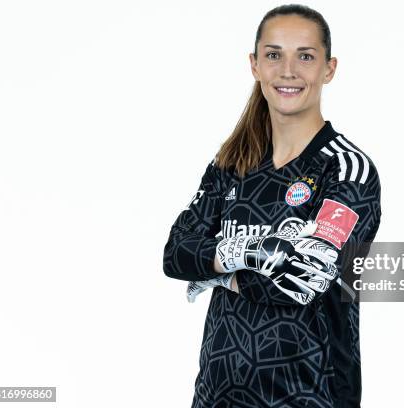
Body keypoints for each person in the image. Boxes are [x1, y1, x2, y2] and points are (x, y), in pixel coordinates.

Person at [163, 4, 382, 407]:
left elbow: (306, 280)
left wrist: (216, 275)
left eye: (305, 56)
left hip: (310, 396)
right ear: (255, 65)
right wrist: (247, 253)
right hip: (216, 395)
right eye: (274, 54)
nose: (288, 71)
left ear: (329, 69)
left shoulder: (347, 169)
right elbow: (176, 254)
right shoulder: (232, 162)